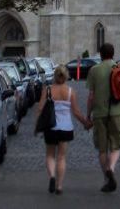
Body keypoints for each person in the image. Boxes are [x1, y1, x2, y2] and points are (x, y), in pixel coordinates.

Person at [87, 43, 120, 193]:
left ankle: (107, 178)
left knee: (102, 149)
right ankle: (111, 168)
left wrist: (88, 115)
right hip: (117, 111)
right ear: (113, 54)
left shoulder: (94, 70)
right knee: (116, 145)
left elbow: (91, 96)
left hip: (99, 113)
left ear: (100, 54)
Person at [37, 65, 91, 195]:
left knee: (50, 155)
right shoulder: (70, 91)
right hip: (66, 128)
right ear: (66, 76)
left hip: (50, 127)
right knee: (61, 157)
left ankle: (51, 177)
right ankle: (59, 186)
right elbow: (76, 112)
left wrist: (38, 125)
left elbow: (40, 109)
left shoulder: (48, 89)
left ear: (54, 75)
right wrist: (86, 122)